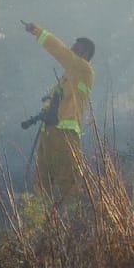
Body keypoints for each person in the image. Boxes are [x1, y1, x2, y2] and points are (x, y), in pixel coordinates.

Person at [21, 21, 95, 204]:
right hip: (50, 133)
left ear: (83, 53)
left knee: (67, 183)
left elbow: (58, 50)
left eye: (74, 49)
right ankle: (41, 225)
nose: (69, 50)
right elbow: (59, 103)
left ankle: (72, 225)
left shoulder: (84, 70)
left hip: (65, 136)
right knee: (42, 182)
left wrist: (37, 31)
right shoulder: (67, 77)